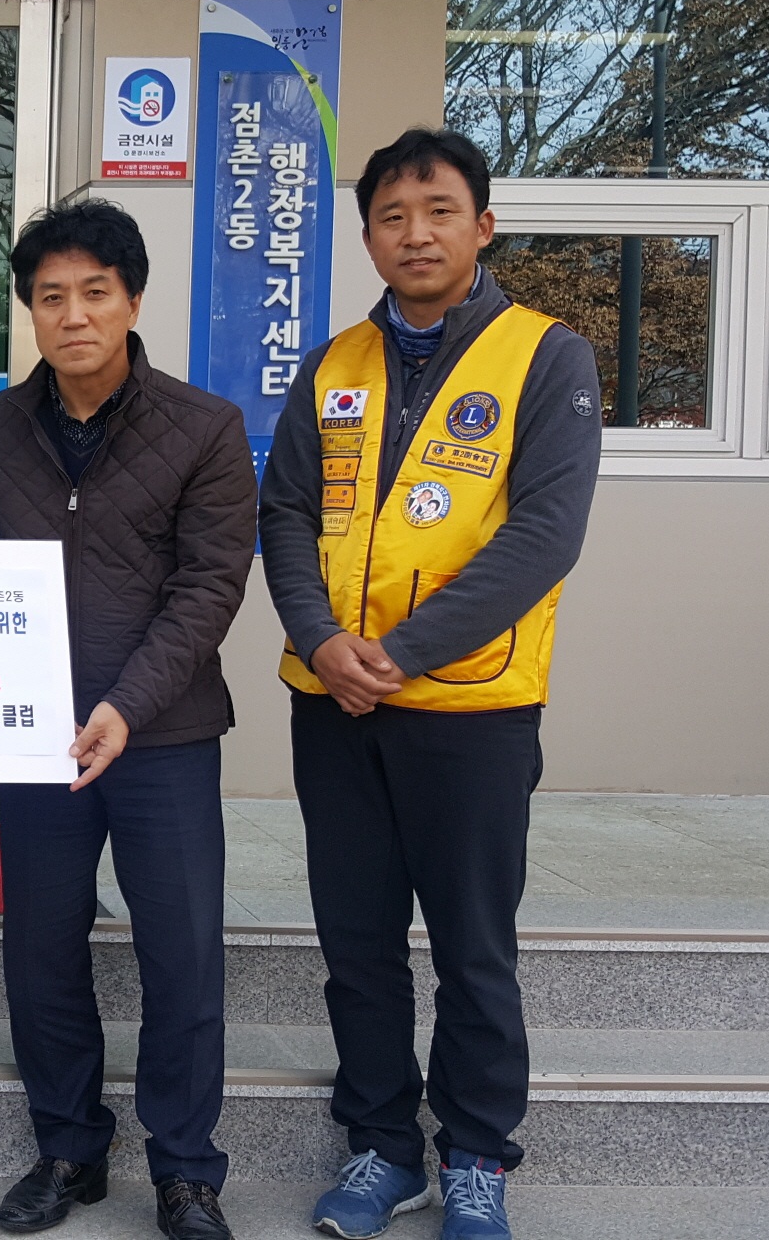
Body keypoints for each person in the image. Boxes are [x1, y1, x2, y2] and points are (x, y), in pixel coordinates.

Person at [261, 129, 602, 1240]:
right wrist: (321, 642)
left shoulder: (545, 356)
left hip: (471, 709)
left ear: (482, 226)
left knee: (472, 946)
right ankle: (380, 1146)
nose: (415, 234)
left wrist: (400, 654)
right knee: (356, 944)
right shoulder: (335, 365)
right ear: (367, 237)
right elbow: (285, 513)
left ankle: (477, 1155)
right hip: (333, 704)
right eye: (392, 217)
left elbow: (543, 536)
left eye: (439, 210)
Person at [0, 200, 257, 1240]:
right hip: (33, 733)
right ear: (30, 310)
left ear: (132, 300)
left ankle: (186, 1171)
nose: (72, 314)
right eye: (50, 297)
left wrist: (125, 704)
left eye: (94, 292)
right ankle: (68, 1149)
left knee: (182, 952)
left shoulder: (205, 427)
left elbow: (209, 588)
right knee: (40, 947)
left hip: (163, 733)